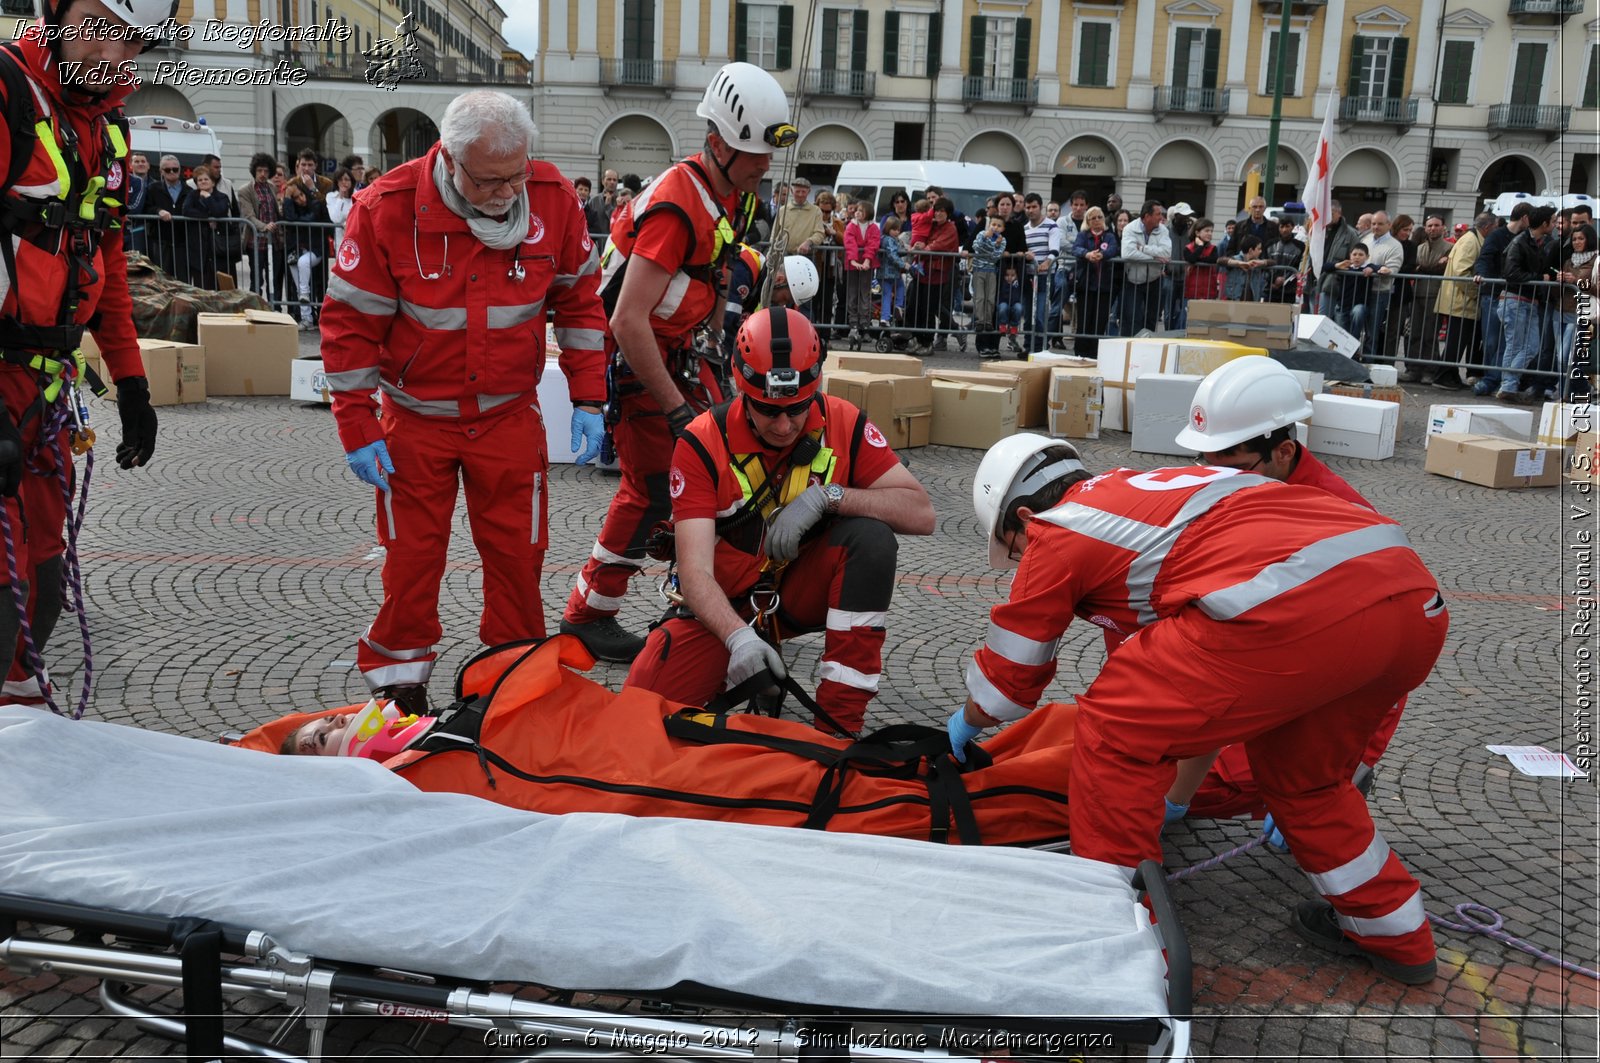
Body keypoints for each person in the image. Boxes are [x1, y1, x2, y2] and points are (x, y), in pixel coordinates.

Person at [949, 433, 1449, 985]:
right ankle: (1396, 936)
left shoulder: (1059, 528)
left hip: (1298, 606)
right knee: (1309, 784)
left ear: (1023, 516)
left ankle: (1116, 945)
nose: (1022, 558)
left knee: (1113, 729)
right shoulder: (1148, 499)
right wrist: (1175, 794)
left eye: (1013, 547)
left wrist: (967, 722)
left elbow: (1006, 687)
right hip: (1411, 599)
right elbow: (1194, 692)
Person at [319, 89, 607, 713]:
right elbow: (349, 327)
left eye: (517, 176)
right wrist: (357, 425)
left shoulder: (553, 200)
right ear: (450, 160)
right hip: (414, 422)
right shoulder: (387, 209)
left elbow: (580, 303)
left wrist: (590, 396)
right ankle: (399, 687)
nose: (507, 193)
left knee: (517, 559)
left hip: (508, 418)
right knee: (411, 562)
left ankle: (511, 680)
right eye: (489, 181)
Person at [560, 62, 789, 662]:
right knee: (654, 489)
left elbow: (716, 271)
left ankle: (703, 593)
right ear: (716, 143)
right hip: (641, 359)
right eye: (753, 153)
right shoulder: (675, 205)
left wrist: (714, 340)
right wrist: (675, 409)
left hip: (684, 350)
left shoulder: (733, 194)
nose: (764, 165)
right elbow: (627, 319)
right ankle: (588, 614)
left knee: (723, 475)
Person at [626, 308, 934, 734]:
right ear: (740, 386)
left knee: (871, 539)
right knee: (640, 709)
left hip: (798, 593)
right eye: (769, 411)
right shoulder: (701, 442)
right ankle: (752, 659)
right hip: (728, 604)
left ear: (815, 388)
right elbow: (695, 574)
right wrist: (739, 639)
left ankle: (838, 730)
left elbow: (921, 513)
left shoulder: (842, 421)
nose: (786, 426)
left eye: (798, 408)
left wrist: (830, 496)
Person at [0, 0, 163, 708]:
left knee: (42, 586)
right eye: (97, 24)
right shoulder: (7, 93)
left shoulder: (106, 128)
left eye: (127, 38)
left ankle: (23, 734)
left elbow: (108, 262)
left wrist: (131, 383)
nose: (110, 50)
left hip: (47, 389)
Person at [1495, 204, 1558, 403]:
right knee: (1515, 346)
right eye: (1554, 221)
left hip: (1529, 301)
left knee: (1530, 346)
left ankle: (1507, 385)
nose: (1556, 224)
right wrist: (1541, 277)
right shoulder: (1520, 242)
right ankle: (1508, 386)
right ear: (1545, 223)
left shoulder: (1541, 242)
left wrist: (1552, 275)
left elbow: (1543, 269)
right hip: (1515, 300)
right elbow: (1511, 273)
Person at [1435, 213, 1493, 391]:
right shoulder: (1470, 241)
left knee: (1457, 341)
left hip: (1460, 299)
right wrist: (1476, 293)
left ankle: (1450, 375)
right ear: (1488, 227)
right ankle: (1443, 376)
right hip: (1461, 300)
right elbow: (1461, 273)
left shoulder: (1471, 238)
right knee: (1456, 341)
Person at [1401, 215, 1456, 386]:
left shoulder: (1450, 248)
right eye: (1429, 225)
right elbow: (1415, 268)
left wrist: (1423, 268)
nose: (1433, 228)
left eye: (1436, 225)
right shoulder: (1419, 248)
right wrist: (1431, 267)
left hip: (1436, 295)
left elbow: (1442, 270)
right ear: (1425, 228)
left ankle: (1429, 370)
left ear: (1443, 227)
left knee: (1430, 335)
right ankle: (1412, 369)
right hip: (1417, 294)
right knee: (1414, 333)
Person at [237, 151, 285, 304]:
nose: (263, 174)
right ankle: (255, 309)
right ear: (254, 171)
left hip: (275, 241)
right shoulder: (245, 190)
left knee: (275, 279)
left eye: (265, 171)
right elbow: (248, 216)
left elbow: (277, 211)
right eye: (259, 171)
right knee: (257, 279)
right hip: (256, 242)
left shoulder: (272, 187)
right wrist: (264, 226)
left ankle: (275, 309)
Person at [1071, 207, 1117, 358]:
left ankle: (1094, 353)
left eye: (1100, 217)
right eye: (1093, 218)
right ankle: (1080, 352)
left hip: (1103, 286)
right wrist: (1087, 254)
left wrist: (1101, 255)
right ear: (1088, 221)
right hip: (1085, 284)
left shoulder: (1109, 236)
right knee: (1084, 320)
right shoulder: (1083, 235)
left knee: (1100, 321)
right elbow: (1076, 248)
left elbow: (1113, 249)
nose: (1097, 220)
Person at [1119, 200, 1170, 336]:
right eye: (1158, 214)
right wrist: (1153, 259)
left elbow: (1166, 253)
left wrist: (1142, 248)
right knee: (1133, 317)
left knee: (1152, 319)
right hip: (1133, 280)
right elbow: (1127, 253)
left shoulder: (1163, 229)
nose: (1161, 217)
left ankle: (1148, 349)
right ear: (1147, 216)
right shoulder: (1130, 228)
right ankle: (1131, 349)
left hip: (1155, 280)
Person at [181, 166, 229, 289]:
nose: (202, 182)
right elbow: (186, 210)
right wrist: (207, 218)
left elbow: (219, 211)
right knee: (200, 283)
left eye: (205, 179)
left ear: (212, 182)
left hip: (217, 246)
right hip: (198, 246)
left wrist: (208, 198)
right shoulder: (193, 195)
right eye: (199, 180)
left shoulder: (222, 197)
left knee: (218, 284)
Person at [145, 152, 189, 280]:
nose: (171, 172)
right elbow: (147, 208)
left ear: (180, 170)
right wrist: (158, 211)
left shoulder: (189, 191)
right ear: (161, 171)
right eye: (167, 169)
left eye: (175, 169)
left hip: (182, 242)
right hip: (160, 241)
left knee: (182, 279)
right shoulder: (153, 189)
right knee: (162, 278)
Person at [841, 200, 879, 343]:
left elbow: (873, 244)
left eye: (861, 210)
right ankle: (853, 324)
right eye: (857, 210)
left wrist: (867, 260)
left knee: (865, 294)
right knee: (852, 294)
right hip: (853, 265)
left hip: (866, 265)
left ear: (867, 213)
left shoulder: (873, 227)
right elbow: (849, 243)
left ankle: (865, 324)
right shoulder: (851, 226)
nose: (857, 212)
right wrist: (853, 260)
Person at [970, 215, 1005, 359]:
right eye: (993, 224)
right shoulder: (981, 234)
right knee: (980, 298)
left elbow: (995, 257)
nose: (995, 227)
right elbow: (976, 248)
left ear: (1002, 228)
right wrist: (986, 239)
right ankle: (980, 321)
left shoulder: (1002, 240)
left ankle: (988, 321)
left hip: (992, 271)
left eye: (998, 225)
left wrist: (995, 245)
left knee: (990, 298)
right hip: (979, 270)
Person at [1331, 243, 1379, 343]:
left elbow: (1379, 267)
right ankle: (1344, 353)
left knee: (1358, 311)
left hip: (1360, 305)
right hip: (1342, 305)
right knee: (1341, 334)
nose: (1357, 257)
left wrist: (1372, 269)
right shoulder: (1345, 267)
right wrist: (1336, 265)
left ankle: (1354, 342)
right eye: (1354, 254)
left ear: (1367, 257)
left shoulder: (1368, 268)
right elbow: (1325, 267)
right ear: (1350, 255)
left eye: (1361, 255)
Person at [1180, 218, 1222, 322]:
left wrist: (1197, 258)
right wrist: (1200, 246)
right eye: (1207, 231)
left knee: (1206, 320)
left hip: (1209, 291)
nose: (1210, 233)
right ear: (1197, 232)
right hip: (1192, 292)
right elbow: (1191, 259)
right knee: (1188, 320)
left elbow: (1212, 259)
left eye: (1211, 231)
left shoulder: (1213, 248)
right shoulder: (1188, 248)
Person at [1264, 217, 1303, 305]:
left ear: (1292, 227)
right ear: (1278, 228)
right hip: (1271, 288)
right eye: (1282, 227)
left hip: (1289, 289)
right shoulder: (1270, 244)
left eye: (1287, 226)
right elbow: (1265, 265)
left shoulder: (1300, 246)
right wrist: (1274, 279)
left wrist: (1284, 279)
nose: (1284, 230)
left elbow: (1298, 266)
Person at [1221, 234, 1267, 302]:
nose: (1261, 251)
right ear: (1251, 250)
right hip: (1235, 299)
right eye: (1259, 249)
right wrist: (1239, 263)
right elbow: (1220, 260)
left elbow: (1273, 262)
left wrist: (1262, 262)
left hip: (1252, 299)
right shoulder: (1235, 259)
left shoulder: (1258, 262)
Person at [326, 165, 356, 244]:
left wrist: (347, 223)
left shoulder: (358, 196)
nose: (343, 182)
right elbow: (336, 219)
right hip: (341, 240)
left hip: (356, 237)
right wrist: (341, 196)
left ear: (351, 181)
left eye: (346, 179)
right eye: (340, 180)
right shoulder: (331, 196)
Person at [995, 264, 1025, 343]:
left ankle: (1014, 326)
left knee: (1019, 307)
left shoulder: (1018, 282)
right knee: (1002, 307)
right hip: (1004, 302)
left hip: (1015, 303)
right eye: (1007, 275)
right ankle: (1002, 325)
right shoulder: (1002, 281)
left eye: (1012, 275)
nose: (1009, 277)